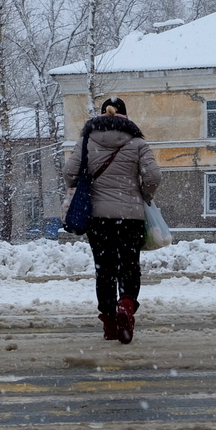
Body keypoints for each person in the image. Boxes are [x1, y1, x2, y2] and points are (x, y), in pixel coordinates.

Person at [62, 97, 162, 344]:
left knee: (104, 269)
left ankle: (108, 322)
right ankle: (126, 306)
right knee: (129, 265)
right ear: (125, 116)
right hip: (131, 217)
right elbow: (154, 177)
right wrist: (143, 195)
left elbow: (69, 173)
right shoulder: (138, 142)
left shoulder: (86, 140)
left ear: (102, 115)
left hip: (98, 218)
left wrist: (84, 186)